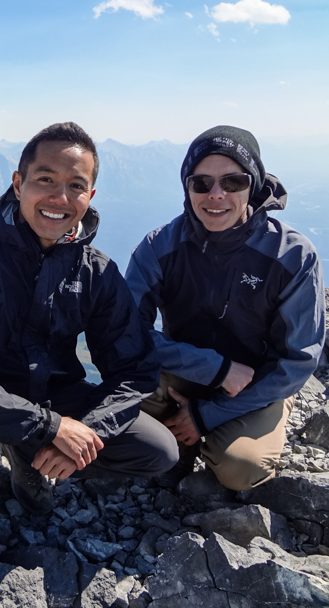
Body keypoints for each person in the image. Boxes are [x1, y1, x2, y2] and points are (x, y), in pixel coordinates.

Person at [0, 122, 178, 560]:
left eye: (76, 185)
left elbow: (134, 370)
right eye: (46, 180)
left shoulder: (95, 272)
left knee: (157, 450)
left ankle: (29, 457)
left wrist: (87, 434)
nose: (59, 198)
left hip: (53, 394)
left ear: (90, 197)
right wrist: (49, 428)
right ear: (19, 184)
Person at [126, 125, 325, 492]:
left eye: (232, 182)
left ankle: (215, 429)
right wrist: (216, 369)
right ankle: (176, 442)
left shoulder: (292, 256)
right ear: (187, 188)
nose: (216, 195)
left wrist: (207, 415)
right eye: (201, 183)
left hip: (258, 382)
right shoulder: (160, 246)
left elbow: (298, 360)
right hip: (184, 371)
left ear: (254, 185)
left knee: (240, 469)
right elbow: (124, 331)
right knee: (116, 414)